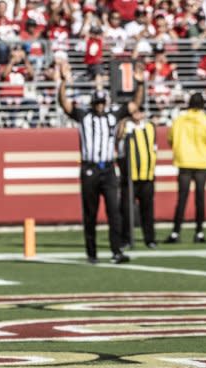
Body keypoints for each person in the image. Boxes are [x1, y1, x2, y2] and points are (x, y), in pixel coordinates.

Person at [58, 60, 144, 264]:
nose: (99, 106)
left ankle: (116, 251)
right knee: (90, 212)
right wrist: (62, 83)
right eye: (96, 104)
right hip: (90, 168)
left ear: (104, 103)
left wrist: (140, 84)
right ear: (92, 104)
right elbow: (65, 104)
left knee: (114, 211)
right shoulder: (84, 117)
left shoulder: (112, 117)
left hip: (108, 169)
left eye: (101, 103)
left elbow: (134, 105)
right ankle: (92, 252)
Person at [164, 92, 206, 244]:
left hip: (183, 163)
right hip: (200, 163)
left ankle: (175, 232)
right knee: (200, 199)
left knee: (182, 199)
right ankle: (199, 232)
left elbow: (170, 139)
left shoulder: (179, 120)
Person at [116, 107, 157, 249]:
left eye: (140, 111)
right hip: (130, 177)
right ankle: (126, 239)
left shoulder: (150, 127)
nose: (137, 115)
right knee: (126, 210)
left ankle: (150, 239)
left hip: (147, 175)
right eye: (135, 112)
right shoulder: (126, 127)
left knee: (148, 209)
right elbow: (119, 146)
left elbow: (153, 148)